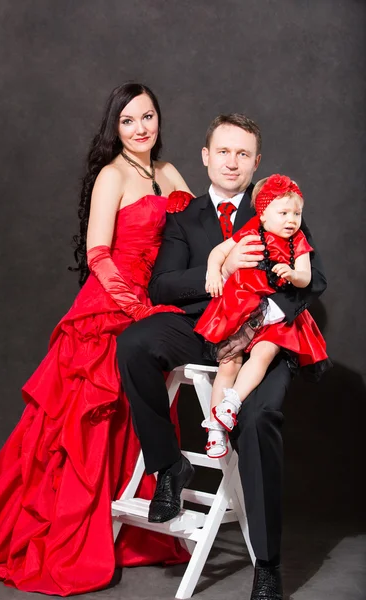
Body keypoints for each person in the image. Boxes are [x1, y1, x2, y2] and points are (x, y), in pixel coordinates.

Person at [0, 82, 194, 595]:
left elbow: (196, 236)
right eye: (129, 120)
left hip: (158, 300)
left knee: (137, 411)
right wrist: (135, 305)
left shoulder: (171, 172)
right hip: (112, 300)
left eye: (149, 117)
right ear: (115, 127)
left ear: (160, 119)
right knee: (91, 417)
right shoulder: (112, 175)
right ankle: (78, 530)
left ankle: (131, 527)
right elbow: (98, 252)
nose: (141, 129)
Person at [117, 114, 327, 600]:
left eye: (243, 154)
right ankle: (168, 466)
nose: (232, 162)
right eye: (223, 152)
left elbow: (313, 278)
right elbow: (162, 284)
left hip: (262, 334)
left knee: (258, 420)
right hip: (199, 326)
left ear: (256, 163)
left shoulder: (279, 210)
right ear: (207, 157)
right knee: (134, 343)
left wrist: (271, 311)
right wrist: (222, 263)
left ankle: (268, 566)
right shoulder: (184, 217)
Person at [195, 174, 330, 459]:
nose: (291, 219)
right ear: (263, 214)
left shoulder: (298, 241)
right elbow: (219, 252)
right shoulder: (251, 231)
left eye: (297, 213)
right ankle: (215, 430)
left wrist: (294, 274)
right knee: (228, 363)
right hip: (240, 308)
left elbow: (307, 277)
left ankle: (232, 402)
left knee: (265, 353)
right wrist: (214, 271)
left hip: (273, 318)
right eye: (283, 213)